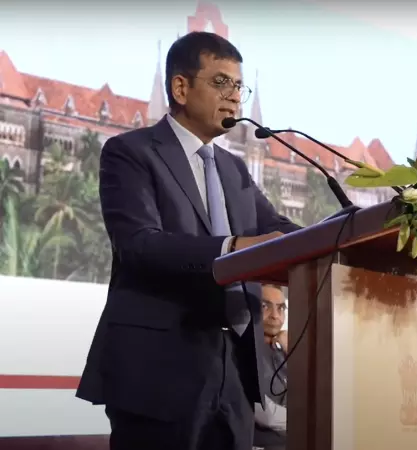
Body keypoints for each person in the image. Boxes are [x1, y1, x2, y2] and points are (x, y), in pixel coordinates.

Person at [75, 32, 300, 450]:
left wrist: (347, 230)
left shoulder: (233, 169)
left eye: (239, 87)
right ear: (180, 88)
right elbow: (139, 245)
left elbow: (280, 229)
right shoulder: (131, 152)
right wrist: (234, 248)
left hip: (234, 369)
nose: (234, 97)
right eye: (221, 82)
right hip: (159, 368)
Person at [254, 284, 289, 450]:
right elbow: (266, 415)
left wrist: (293, 352)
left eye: (281, 308)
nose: (275, 316)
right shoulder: (240, 350)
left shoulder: (282, 349)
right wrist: (310, 420)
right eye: (265, 306)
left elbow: (308, 396)